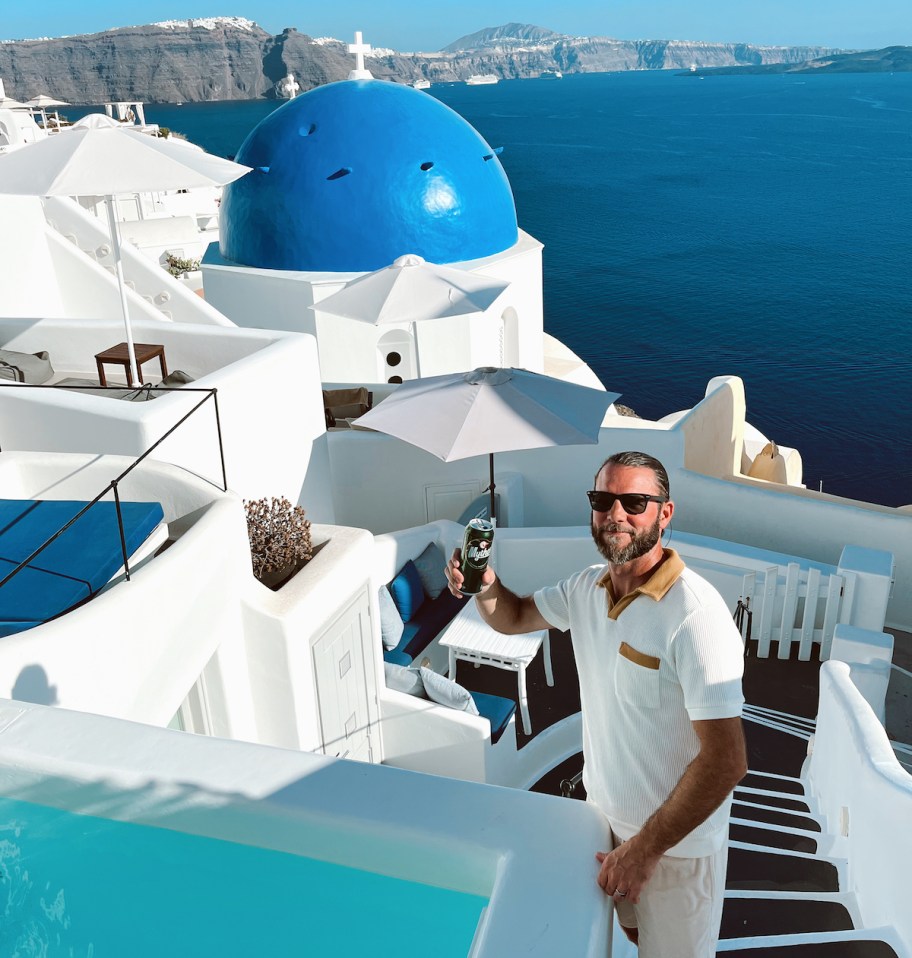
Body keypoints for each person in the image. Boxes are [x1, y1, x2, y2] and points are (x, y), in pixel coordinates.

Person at [446, 450, 747, 957]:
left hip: (671, 853)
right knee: (624, 941)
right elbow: (515, 616)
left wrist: (645, 851)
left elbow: (726, 761)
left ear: (664, 514)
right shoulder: (587, 587)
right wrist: (485, 586)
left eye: (634, 501)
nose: (617, 514)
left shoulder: (695, 616)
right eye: (603, 499)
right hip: (603, 825)